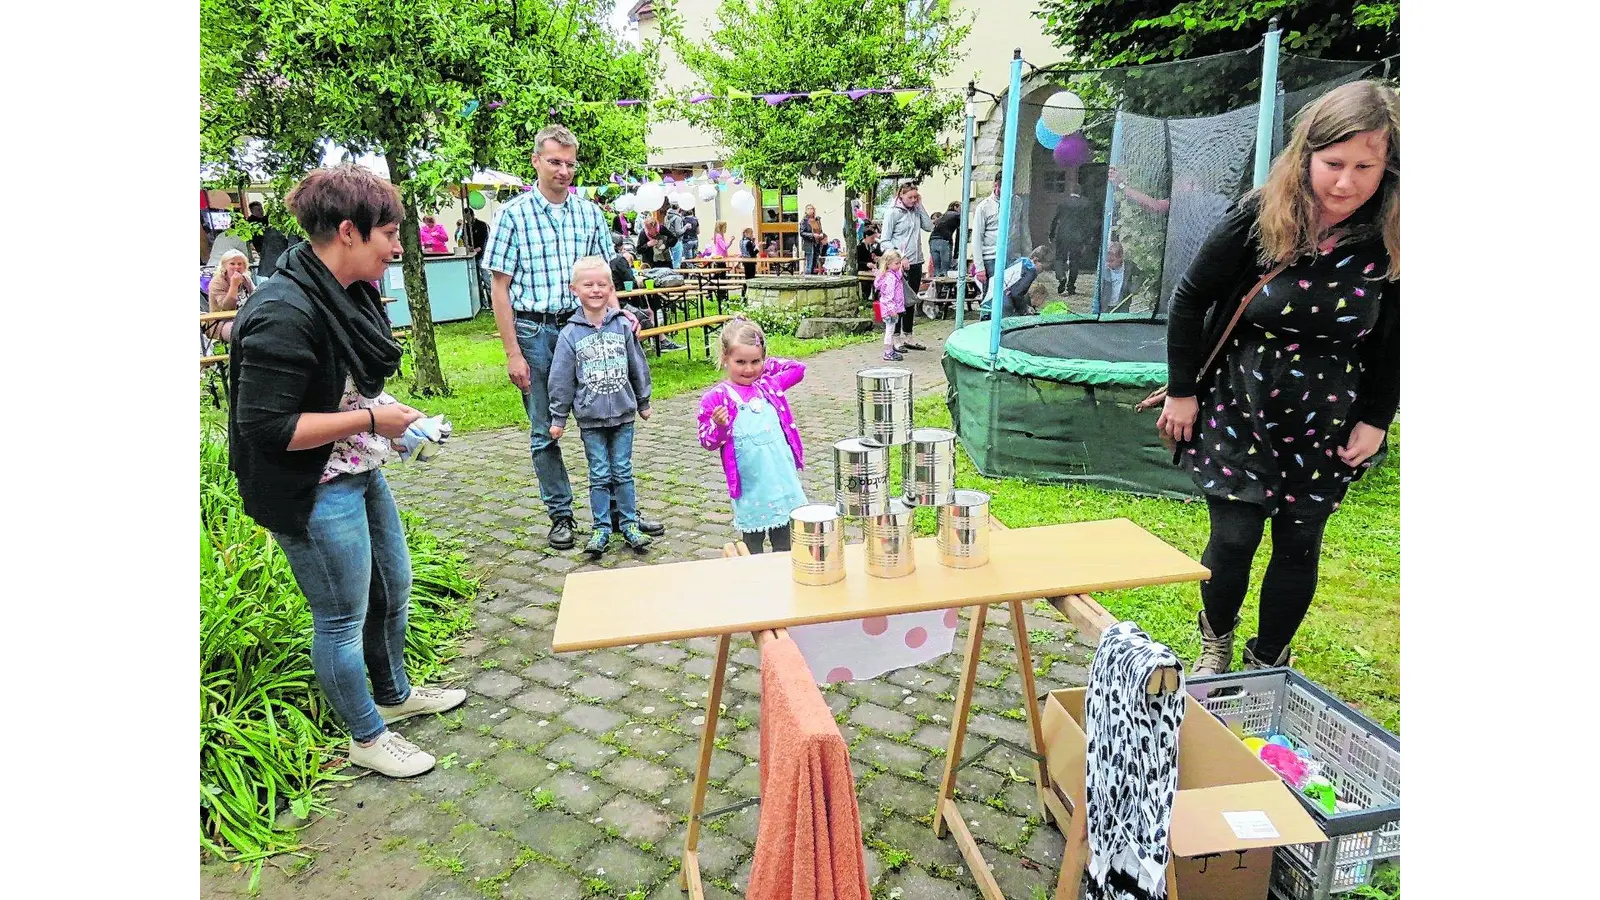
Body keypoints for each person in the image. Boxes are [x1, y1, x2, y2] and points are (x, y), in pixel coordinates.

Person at [227, 164, 467, 778]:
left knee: (393, 586)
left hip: (357, 467)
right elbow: (269, 428)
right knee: (339, 616)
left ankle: (393, 693)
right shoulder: (283, 312)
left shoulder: (347, 293)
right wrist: (368, 422)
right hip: (311, 487)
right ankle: (366, 735)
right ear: (347, 232)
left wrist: (380, 415)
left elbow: (346, 389)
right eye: (389, 232)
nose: (398, 245)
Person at [1155, 80, 1400, 675]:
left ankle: (1268, 664)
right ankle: (1215, 649)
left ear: (1389, 165)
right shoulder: (1262, 214)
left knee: (1298, 545)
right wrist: (1183, 392)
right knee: (1234, 541)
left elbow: (1397, 336)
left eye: (1365, 166)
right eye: (1333, 163)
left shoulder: (1394, 234)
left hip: (1328, 425)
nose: (1346, 182)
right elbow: (1190, 300)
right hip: (1241, 409)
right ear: (1307, 155)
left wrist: (1376, 419)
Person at [485, 124, 662, 550]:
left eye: (569, 163)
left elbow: (604, 279)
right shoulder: (513, 215)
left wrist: (620, 320)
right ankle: (561, 514)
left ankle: (623, 514)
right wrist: (513, 353)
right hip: (537, 330)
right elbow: (499, 288)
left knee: (612, 415)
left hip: (592, 328)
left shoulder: (588, 213)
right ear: (536, 162)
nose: (563, 171)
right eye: (554, 162)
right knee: (547, 427)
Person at [548, 256, 655, 557]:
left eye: (601, 284)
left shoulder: (622, 326)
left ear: (611, 288)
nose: (595, 290)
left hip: (623, 416)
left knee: (622, 469)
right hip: (590, 419)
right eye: (588, 284)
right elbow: (561, 378)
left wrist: (643, 400)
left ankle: (630, 523)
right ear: (574, 289)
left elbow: (637, 365)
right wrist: (558, 417)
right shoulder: (570, 334)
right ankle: (601, 527)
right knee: (599, 472)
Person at [696, 318, 809, 554]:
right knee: (752, 544)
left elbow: (798, 370)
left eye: (755, 361)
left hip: (780, 480)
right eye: (740, 362)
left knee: (785, 542)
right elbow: (707, 441)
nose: (749, 369)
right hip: (751, 485)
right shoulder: (716, 398)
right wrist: (719, 425)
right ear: (725, 358)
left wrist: (766, 366)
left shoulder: (768, 386)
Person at [1111, 165, 1234, 311]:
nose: (1174, 188)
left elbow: (1155, 206)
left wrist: (1121, 185)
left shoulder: (1187, 200)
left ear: (1191, 184)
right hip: (1215, 265)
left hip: (1189, 268)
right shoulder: (1223, 203)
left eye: (1178, 183)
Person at [880, 181, 931, 350]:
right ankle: (895, 337)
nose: (913, 200)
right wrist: (900, 257)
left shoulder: (916, 211)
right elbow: (885, 241)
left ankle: (908, 335)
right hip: (898, 265)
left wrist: (921, 206)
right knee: (898, 301)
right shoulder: (892, 213)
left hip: (916, 261)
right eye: (910, 197)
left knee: (911, 300)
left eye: (916, 197)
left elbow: (929, 226)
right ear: (901, 195)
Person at [1049, 185, 1099, 295]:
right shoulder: (1086, 204)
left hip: (1063, 234)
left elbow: (1056, 219)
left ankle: (1061, 276)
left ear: (1071, 191)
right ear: (1080, 192)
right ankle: (1071, 287)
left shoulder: (1063, 202)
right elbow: (1089, 223)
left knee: (1059, 258)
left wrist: (1051, 234)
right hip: (1078, 236)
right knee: (1074, 261)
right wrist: (1088, 238)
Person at [206, 248, 255, 344]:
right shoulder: (217, 282)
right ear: (225, 266)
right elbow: (227, 307)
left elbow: (255, 297)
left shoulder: (246, 279)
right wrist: (234, 286)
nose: (236, 267)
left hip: (245, 318)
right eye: (232, 264)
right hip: (221, 323)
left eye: (240, 264)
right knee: (243, 334)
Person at [873, 248, 910, 361]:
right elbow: (889, 295)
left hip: (889, 307)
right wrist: (892, 309)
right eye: (896, 263)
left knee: (891, 330)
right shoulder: (890, 278)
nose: (899, 265)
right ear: (888, 264)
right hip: (890, 309)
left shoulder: (890, 275)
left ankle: (889, 350)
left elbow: (899, 274)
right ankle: (888, 352)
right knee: (890, 331)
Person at [970, 174, 1003, 280]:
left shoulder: (1017, 202)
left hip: (1012, 257)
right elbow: (976, 238)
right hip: (991, 259)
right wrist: (979, 267)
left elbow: (1022, 230)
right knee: (990, 294)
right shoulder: (984, 207)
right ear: (996, 185)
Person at [1097, 241, 1144, 313]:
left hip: (1122, 305)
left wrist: (1135, 286)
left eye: (1111, 261)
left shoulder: (1129, 267)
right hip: (1106, 307)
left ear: (1120, 257)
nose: (1108, 264)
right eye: (1107, 261)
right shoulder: (1104, 269)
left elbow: (1142, 275)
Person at [929, 200, 961, 277]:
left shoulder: (943, 216)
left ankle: (938, 288)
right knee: (946, 270)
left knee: (937, 269)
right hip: (944, 240)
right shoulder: (958, 216)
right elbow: (959, 236)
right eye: (960, 208)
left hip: (932, 240)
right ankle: (946, 288)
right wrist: (956, 255)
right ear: (955, 207)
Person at [854, 225, 883, 303]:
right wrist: (867, 264)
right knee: (865, 288)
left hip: (869, 271)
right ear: (866, 236)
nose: (873, 240)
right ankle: (865, 300)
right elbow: (858, 262)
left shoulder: (870, 246)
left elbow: (870, 258)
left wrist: (874, 259)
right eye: (872, 238)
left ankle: (874, 299)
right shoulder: (860, 247)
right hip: (862, 271)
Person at [799, 204, 826, 274]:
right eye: (808, 209)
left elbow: (820, 230)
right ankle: (808, 279)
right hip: (809, 245)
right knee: (809, 264)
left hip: (817, 244)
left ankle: (814, 278)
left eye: (812, 209)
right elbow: (802, 233)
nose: (810, 210)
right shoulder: (804, 221)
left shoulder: (817, 220)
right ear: (806, 211)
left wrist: (821, 235)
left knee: (815, 264)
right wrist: (813, 235)